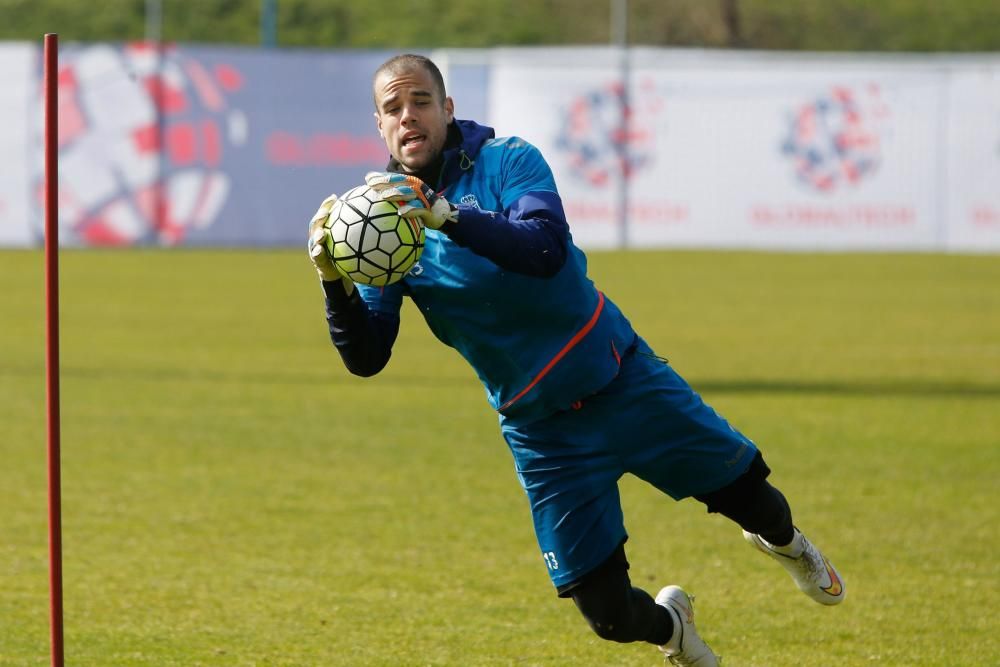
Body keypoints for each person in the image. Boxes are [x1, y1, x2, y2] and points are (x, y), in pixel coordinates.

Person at [307, 54, 845, 666]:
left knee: (752, 497)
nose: (409, 117)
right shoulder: (382, 222)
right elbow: (368, 357)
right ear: (378, 125)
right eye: (393, 108)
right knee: (607, 617)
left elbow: (543, 249)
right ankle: (674, 628)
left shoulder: (508, 160)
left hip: (620, 378)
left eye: (421, 101)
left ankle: (789, 545)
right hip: (542, 432)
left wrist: (450, 216)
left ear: (448, 107)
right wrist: (334, 282)